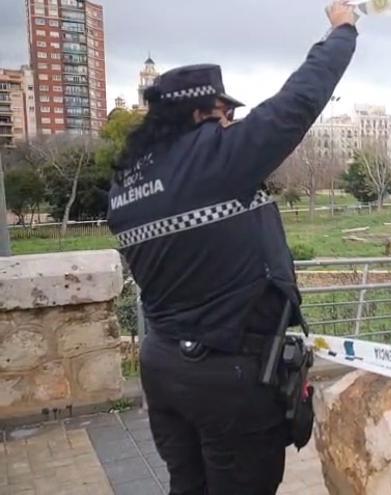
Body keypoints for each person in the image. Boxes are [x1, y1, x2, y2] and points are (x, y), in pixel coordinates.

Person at [105, 3, 359, 494]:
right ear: (199, 113)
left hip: (163, 366)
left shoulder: (126, 182)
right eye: (226, 114)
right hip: (228, 375)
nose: (232, 123)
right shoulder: (214, 160)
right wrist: (342, 30)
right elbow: (298, 101)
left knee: (187, 485)